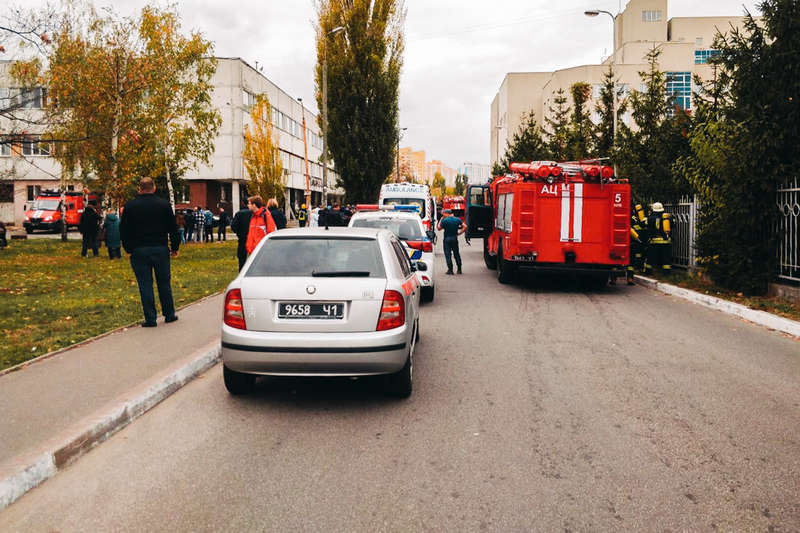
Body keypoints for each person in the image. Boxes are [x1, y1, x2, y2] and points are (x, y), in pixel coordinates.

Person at [120, 177, 180, 327]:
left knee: (145, 284)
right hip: (160, 248)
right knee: (164, 283)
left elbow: (124, 230)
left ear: (139, 189)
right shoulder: (164, 205)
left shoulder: (130, 206)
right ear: (153, 188)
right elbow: (173, 228)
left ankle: (150, 318)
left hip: (139, 250)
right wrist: (175, 247)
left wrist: (128, 249)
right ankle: (169, 314)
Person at [437, 208, 467, 275]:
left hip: (447, 239)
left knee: (448, 254)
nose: (443, 215)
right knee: (456, 253)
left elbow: (438, 228)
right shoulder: (457, 219)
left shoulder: (445, 220)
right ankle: (459, 269)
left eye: (444, 214)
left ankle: (450, 270)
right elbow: (465, 226)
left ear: (447, 213)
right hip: (454, 238)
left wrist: (441, 219)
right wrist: (459, 233)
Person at [646, 202, 673, 274]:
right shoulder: (667, 217)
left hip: (654, 241)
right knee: (666, 258)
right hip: (666, 241)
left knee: (651, 257)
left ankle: (648, 271)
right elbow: (673, 226)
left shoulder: (651, 218)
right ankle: (666, 272)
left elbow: (649, 228)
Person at [626, 203, 648, 285]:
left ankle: (613, 279)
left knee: (618, 261)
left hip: (624, 238)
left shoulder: (626, 214)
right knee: (631, 261)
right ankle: (630, 278)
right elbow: (643, 225)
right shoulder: (637, 216)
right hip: (633, 239)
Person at [231, 202, 253, 270]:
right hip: (252, 237)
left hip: (242, 237)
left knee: (242, 258)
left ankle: (242, 271)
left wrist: (238, 232)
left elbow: (233, 226)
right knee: (252, 257)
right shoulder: (253, 213)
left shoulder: (239, 214)